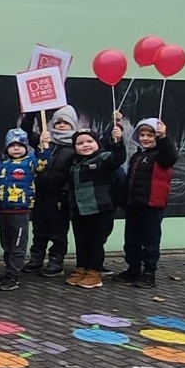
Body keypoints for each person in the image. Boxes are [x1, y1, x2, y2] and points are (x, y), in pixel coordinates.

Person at [116, 118, 177, 289]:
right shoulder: (137, 155)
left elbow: (170, 156)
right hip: (134, 204)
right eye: (142, 134)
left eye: (150, 135)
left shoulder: (161, 155)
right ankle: (133, 268)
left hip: (152, 205)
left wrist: (164, 137)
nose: (145, 138)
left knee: (150, 239)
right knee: (131, 239)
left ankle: (149, 272)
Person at [68, 122, 127, 289]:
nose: (85, 145)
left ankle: (94, 273)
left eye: (89, 142)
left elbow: (118, 158)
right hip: (79, 211)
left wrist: (117, 142)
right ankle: (81, 269)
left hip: (99, 210)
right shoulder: (74, 163)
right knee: (81, 241)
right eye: (79, 143)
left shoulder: (103, 159)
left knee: (95, 242)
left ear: (97, 143)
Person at [28, 105, 80, 277]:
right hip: (40, 193)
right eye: (58, 122)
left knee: (58, 231)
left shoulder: (75, 147)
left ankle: (56, 261)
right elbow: (26, 133)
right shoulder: (46, 141)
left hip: (59, 197)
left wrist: (65, 195)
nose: (62, 125)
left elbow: (74, 173)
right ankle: (36, 258)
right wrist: (32, 113)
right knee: (39, 228)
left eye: (66, 122)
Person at [0, 129, 43, 291]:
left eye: (20, 145)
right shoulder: (0, 165)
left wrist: (44, 148)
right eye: (12, 146)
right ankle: (8, 271)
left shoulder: (31, 163)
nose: (16, 148)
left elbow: (44, 164)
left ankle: (13, 276)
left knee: (18, 245)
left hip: (20, 211)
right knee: (7, 245)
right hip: (3, 211)